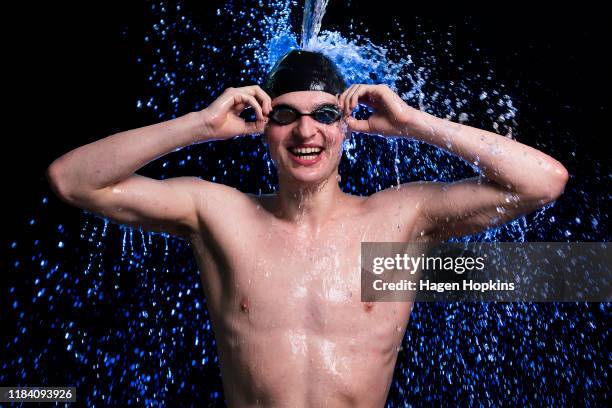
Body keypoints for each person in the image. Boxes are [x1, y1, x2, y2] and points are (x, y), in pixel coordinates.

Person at [46, 50, 568, 406]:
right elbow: (72, 180)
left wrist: (413, 122)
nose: (305, 131)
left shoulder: (397, 222)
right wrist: (200, 126)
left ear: (346, 125)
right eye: (286, 115)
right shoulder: (219, 216)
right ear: (263, 127)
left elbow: (543, 181)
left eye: (323, 113)